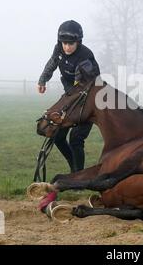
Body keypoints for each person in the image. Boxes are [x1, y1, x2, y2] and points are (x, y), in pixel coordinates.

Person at [37, 20, 100, 173]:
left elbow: (81, 87)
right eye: (64, 43)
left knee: (76, 139)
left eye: (71, 43)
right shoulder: (59, 49)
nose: (67, 47)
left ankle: (79, 176)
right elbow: (52, 63)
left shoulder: (85, 57)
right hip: (71, 96)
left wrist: (67, 104)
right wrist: (42, 80)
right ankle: (75, 170)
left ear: (78, 42)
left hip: (89, 100)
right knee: (57, 136)